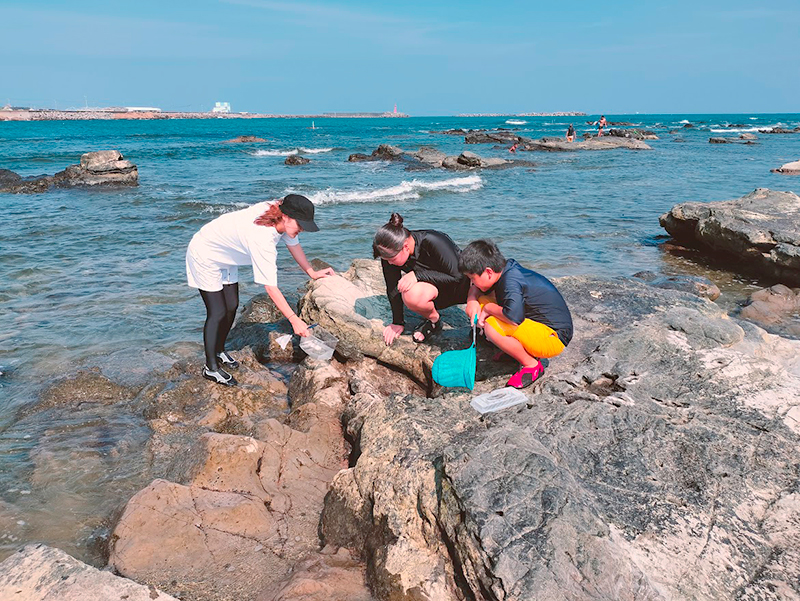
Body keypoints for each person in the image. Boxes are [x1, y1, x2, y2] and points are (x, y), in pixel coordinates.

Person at [186, 194, 334, 386]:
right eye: (301, 225)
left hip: (227, 256)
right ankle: (211, 368)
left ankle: (219, 351)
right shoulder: (262, 238)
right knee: (217, 311)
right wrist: (294, 320)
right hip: (205, 254)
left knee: (231, 306)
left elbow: (294, 245)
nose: (302, 229)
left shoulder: (281, 214)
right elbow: (271, 288)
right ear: (287, 217)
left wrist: (312, 272)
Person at [459, 239, 573, 389]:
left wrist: (488, 310)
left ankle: (531, 365)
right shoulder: (505, 270)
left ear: (488, 272)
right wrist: (472, 298)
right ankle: (516, 349)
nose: (472, 282)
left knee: (491, 325)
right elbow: (481, 294)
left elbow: (513, 318)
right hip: (538, 327)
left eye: (472, 278)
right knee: (483, 301)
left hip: (553, 338)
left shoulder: (510, 282)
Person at [373, 213, 471, 345]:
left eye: (391, 259)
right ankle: (434, 322)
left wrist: (417, 275)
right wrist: (397, 322)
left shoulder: (433, 240)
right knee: (410, 294)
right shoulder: (390, 254)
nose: (389, 263)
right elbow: (392, 287)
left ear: (405, 247)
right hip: (436, 293)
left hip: (464, 290)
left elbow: (458, 276)